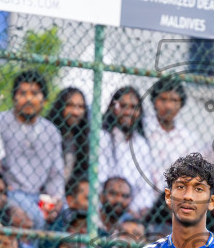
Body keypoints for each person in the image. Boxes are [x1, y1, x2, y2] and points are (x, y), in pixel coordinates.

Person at [0, 70, 64, 228]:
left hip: (40, 196)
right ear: (14, 97)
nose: (28, 99)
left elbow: (56, 174)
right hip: (9, 192)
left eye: (34, 93)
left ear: (44, 100)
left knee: (66, 216)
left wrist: (57, 200)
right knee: (35, 218)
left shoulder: (51, 131)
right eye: (23, 93)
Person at [99, 85, 157, 216]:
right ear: (113, 108)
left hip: (131, 211)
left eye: (133, 107)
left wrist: (136, 210)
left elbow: (145, 188)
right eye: (123, 106)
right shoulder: (102, 137)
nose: (128, 112)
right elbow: (99, 180)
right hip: (104, 206)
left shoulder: (142, 145)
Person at [144, 77, 200, 197]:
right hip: (143, 198)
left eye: (174, 100)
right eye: (163, 99)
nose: (168, 106)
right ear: (154, 101)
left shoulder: (188, 138)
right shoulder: (143, 128)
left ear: (181, 104)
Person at [45, 86, 90, 194]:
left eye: (80, 107)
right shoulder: (47, 132)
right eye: (70, 105)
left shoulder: (81, 140)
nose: (76, 112)